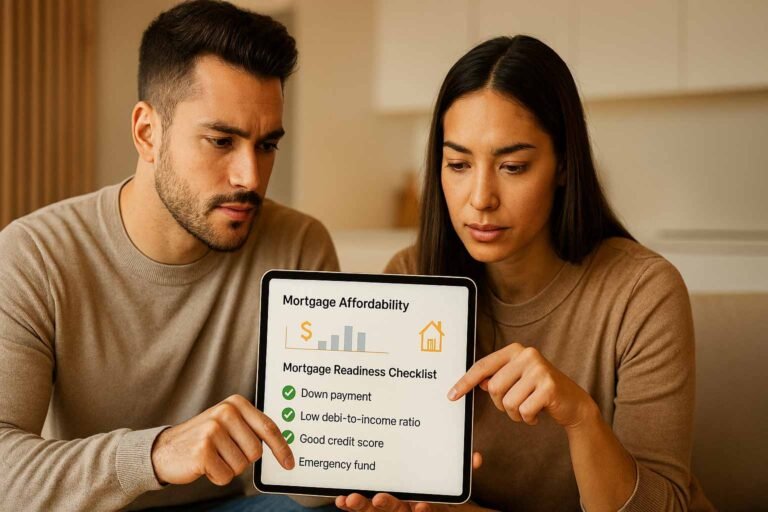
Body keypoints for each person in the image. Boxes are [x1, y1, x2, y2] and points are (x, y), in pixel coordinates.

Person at [336, 36, 714, 512]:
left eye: (513, 166)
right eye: (457, 164)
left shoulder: (641, 291)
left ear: (562, 165)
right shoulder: (412, 276)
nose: (480, 198)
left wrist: (580, 417)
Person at [0, 1, 340, 510]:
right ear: (147, 133)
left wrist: (368, 462)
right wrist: (154, 454)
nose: (250, 177)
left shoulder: (300, 245)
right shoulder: (35, 256)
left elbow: (302, 478)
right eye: (221, 140)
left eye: (267, 145)